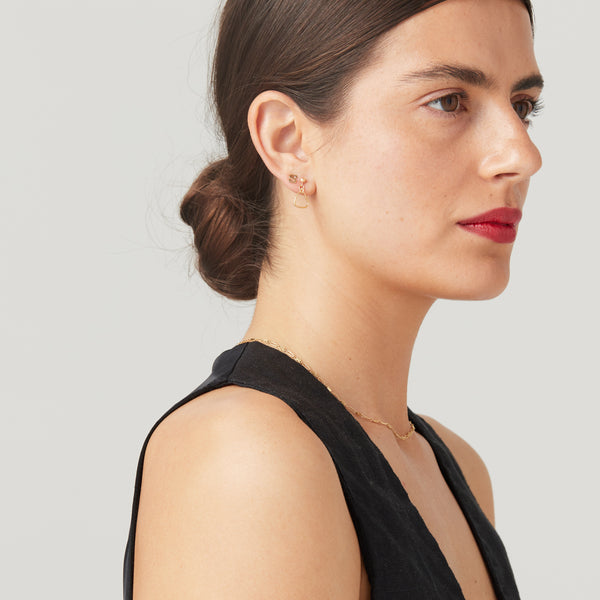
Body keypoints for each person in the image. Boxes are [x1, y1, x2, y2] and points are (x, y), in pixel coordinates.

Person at [124, 0, 543, 597]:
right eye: (449, 101)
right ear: (288, 140)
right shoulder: (247, 458)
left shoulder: (454, 468)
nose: (522, 155)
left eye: (523, 106)